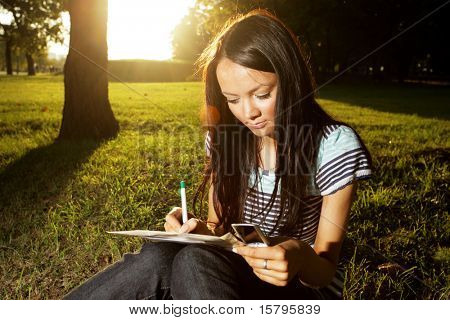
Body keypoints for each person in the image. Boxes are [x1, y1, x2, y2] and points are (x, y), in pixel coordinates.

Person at [64, 9, 372, 300]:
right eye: (233, 99)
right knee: (162, 254)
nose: (248, 113)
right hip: (230, 273)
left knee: (194, 262)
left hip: (298, 289)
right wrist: (195, 230)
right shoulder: (226, 138)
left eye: (262, 95)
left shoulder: (333, 145)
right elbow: (218, 229)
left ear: (292, 79)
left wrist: (299, 255)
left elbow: (324, 269)